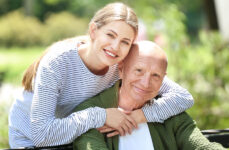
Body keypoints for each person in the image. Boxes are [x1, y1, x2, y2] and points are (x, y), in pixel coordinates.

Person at [8, 2, 193, 148]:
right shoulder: (57, 63)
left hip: (74, 134)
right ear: (93, 30)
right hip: (31, 140)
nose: (115, 47)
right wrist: (102, 116)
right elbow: (42, 135)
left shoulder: (121, 65)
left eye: (125, 42)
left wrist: (138, 117)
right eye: (110, 35)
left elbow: (183, 97)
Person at [73, 41, 226, 150]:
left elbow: (202, 146)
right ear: (121, 69)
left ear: (163, 79)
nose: (146, 83)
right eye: (139, 70)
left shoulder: (171, 113)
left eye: (155, 76)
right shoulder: (90, 112)